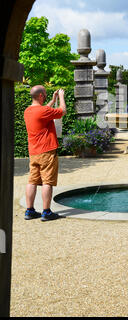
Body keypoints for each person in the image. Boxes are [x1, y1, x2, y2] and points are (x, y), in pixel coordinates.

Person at [23, 85, 67, 221]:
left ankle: (29, 211)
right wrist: (61, 96)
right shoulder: (43, 111)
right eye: (46, 94)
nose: (47, 95)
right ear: (41, 95)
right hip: (47, 151)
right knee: (47, 181)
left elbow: (44, 111)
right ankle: (46, 212)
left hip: (34, 152)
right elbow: (62, 111)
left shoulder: (28, 111)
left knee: (32, 181)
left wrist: (52, 100)